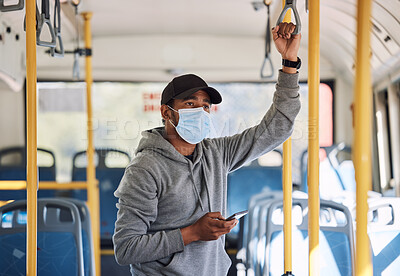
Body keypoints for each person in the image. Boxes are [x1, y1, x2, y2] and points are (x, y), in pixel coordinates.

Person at [113, 22, 301, 276]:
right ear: (167, 112)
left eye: (205, 106)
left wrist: (289, 65)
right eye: (190, 103)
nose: (200, 112)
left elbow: (277, 128)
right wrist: (192, 233)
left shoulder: (217, 153)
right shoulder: (145, 169)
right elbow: (126, 249)